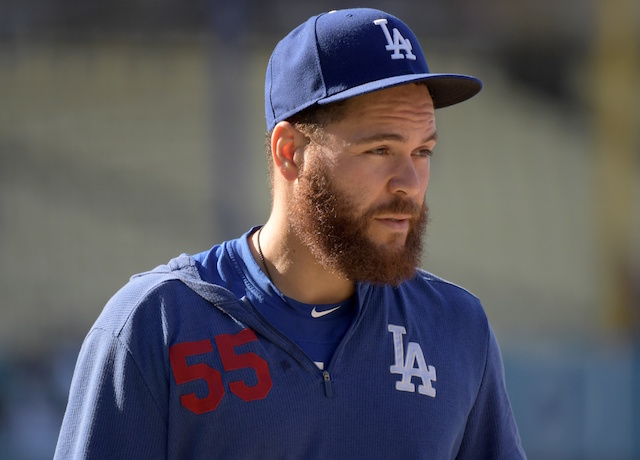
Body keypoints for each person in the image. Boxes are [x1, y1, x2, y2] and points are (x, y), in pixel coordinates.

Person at [55, 7, 526, 459]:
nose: (410, 183)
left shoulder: (457, 329)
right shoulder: (155, 326)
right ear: (290, 151)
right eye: (381, 149)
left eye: (422, 151)